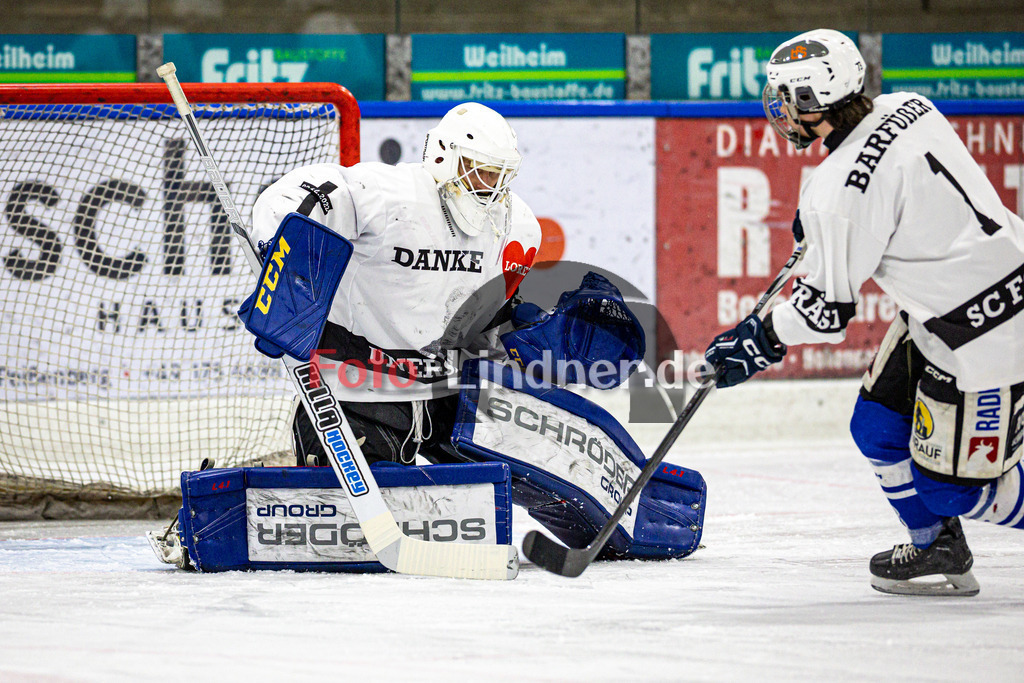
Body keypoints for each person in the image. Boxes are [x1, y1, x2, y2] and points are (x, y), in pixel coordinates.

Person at [703, 28, 1024, 596]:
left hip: (990, 335)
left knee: (955, 491)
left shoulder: (833, 194)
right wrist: (828, 234)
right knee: (876, 427)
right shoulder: (910, 106)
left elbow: (826, 312)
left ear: (809, 102)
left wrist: (760, 337)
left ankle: (944, 524)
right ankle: (935, 547)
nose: (777, 110)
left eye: (783, 98)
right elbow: (892, 193)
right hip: (952, 306)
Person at [249, 101, 541, 467]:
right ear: (442, 158)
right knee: (354, 514)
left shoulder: (517, 226)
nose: (489, 186)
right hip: (355, 389)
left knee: (498, 488)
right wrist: (286, 258)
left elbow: (488, 320)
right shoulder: (389, 193)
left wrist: (533, 332)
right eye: (478, 170)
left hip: (445, 393)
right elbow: (303, 195)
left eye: (498, 174)